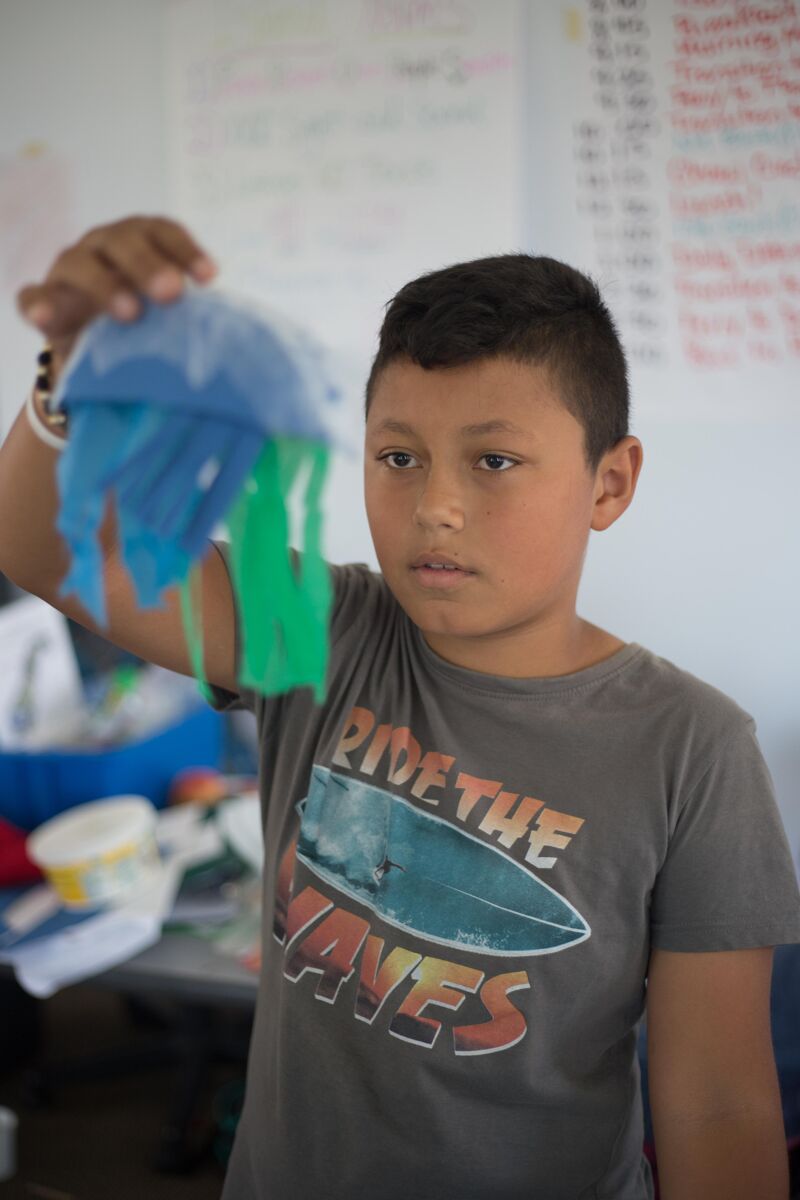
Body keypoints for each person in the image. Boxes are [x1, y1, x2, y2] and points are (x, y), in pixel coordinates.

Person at [2, 216, 799, 1200]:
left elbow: (716, 1101)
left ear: (608, 481)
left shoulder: (692, 748)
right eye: (398, 457)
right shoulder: (318, 629)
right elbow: (47, 544)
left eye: (493, 460)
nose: (435, 507)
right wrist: (69, 378)